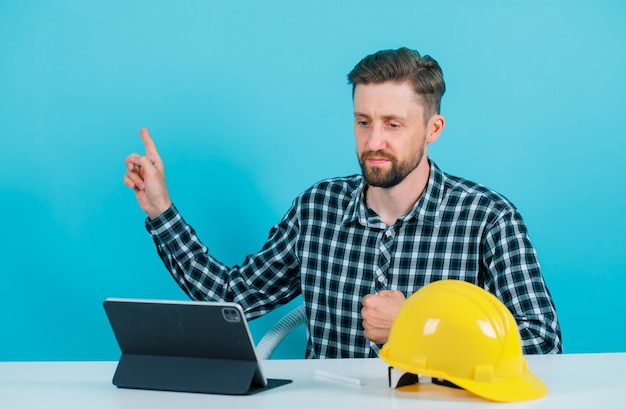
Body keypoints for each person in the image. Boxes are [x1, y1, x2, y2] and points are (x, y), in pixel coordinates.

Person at [123, 47, 562, 358]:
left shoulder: (488, 218)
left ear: (433, 129)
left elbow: (543, 342)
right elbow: (231, 297)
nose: (374, 142)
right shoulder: (318, 208)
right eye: (363, 121)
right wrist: (162, 211)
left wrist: (418, 325)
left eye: (393, 124)